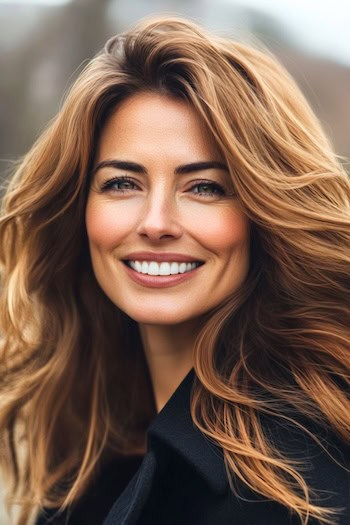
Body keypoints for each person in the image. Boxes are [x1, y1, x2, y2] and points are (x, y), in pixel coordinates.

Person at [0, 15, 349, 525]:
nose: (156, 223)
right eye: (122, 183)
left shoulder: (304, 485)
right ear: (79, 210)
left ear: (262, 214)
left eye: (204, 187)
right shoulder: (89, 453)